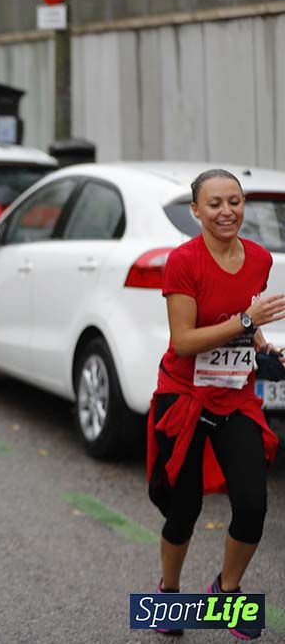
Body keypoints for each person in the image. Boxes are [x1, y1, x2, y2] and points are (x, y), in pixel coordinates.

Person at [147, 169, 284, 640]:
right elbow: (183, 341)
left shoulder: (260, 259)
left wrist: (261, 341)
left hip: (235, 396)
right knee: (182, 510)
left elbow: (241, 320)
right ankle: (167, 593)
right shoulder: (183, 261)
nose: (227, 212)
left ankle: (226, 592)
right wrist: (248, 319)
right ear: (196, 212)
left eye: (235, 202)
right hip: (184, 395)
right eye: (215, 204)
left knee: (252, 506)